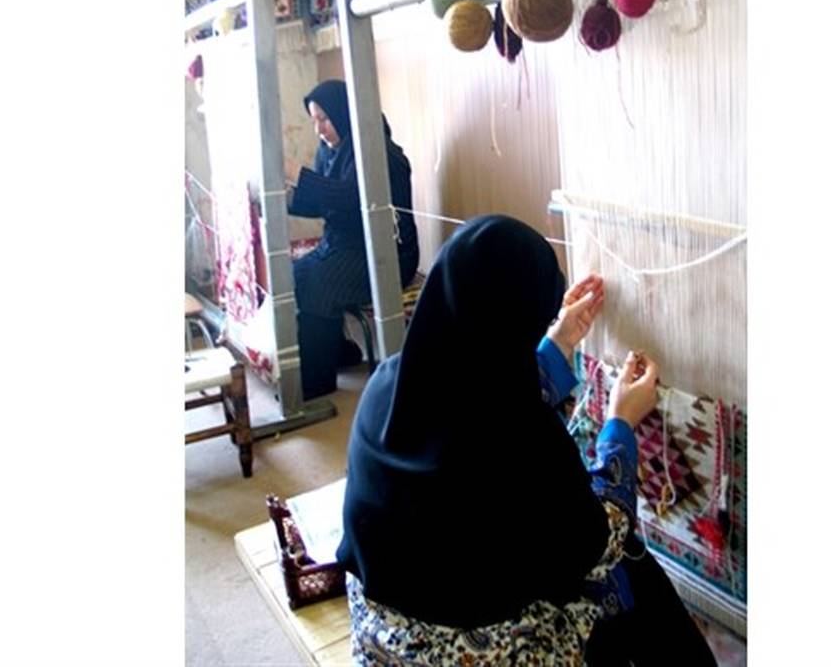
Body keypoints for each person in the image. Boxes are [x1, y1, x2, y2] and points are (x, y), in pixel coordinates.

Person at [337, 215, 716, 665]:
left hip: (381, 640)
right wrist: (620, 426)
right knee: (628, 565)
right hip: (474, 653)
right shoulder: (524, 446)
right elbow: (599, 540)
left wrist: (557, 343)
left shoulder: (388, 385)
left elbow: (479, 401)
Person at [285, 80, 419, 400]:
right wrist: (284, 199)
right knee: (296, 274)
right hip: (346, 246)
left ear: (344, 114)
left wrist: (298, 175)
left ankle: (315, 382)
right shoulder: (332, 151)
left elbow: (350, 198)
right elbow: (324, 203)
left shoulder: (380, 154)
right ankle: (336, 352)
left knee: (319, 282)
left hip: (387, 254)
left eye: (324, 119)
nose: (319, 129)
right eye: (315, 120)